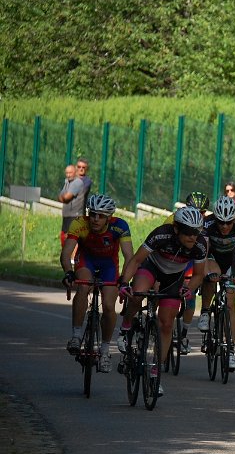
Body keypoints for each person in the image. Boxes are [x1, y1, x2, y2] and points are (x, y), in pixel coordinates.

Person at [117, 206, 208, 397]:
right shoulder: (161, 234)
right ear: (176, 229)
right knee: (138, 293)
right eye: (188, 232)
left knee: (166, 324)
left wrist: (188, 289)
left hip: (174, 279)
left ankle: (155, 373)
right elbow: (136, 260)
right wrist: (124, 283)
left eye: (197, 232)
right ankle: (126, 326)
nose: (193, 237)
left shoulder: (200, 244)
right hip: (151, 268)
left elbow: (199, 275)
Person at [60, 195, 134, 373]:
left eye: (101, 216)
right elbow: (66, 253)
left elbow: (129, 256)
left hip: (109, 265)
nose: (95, 219)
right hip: (87, 261)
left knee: (108, 306)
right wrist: (68, 272)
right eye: (92, 214)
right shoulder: (79, 223)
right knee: (84, 286)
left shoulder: (120, 226)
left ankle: (105, 350)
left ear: (109, 217)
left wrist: (124, 280)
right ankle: (77, 335)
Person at [197, 196, 235, 371]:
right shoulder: (207, 224)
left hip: (229, 259)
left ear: (234, 219)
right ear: (215, 218)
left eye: (229, 222)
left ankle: (230, 351)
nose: (224, 226)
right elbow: (202, 254)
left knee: (230, 305)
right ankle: (205, 311)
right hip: (210, 256)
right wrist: (207, 274)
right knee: (212, 277)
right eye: (221, 222)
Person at [163, 191, 211, 354]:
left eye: (202, 212)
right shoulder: (173, 219)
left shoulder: (205, 224)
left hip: (192, 259)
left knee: (190, 296)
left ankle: (183, 335)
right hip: (173, 257)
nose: (198, 215)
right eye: (195, 210)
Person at [57, 164, 86, 246]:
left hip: (75, 216)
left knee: (72, 239)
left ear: (75, 172)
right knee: (64, 237)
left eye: (70, 173)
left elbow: (66, 198)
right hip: (67, 215)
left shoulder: (77, 182)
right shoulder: (67, 182)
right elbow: (60, 196)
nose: (68, 175)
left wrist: (62, 198)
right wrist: (62, 198)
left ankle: (73, 254)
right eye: (67, 173)